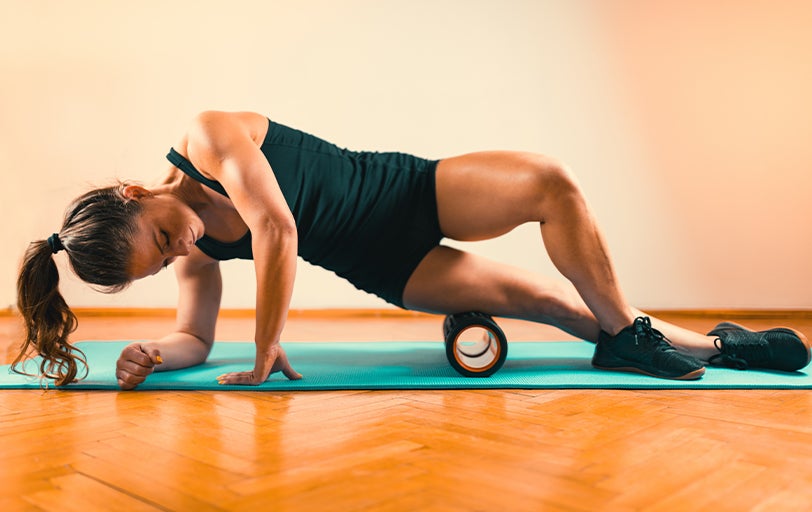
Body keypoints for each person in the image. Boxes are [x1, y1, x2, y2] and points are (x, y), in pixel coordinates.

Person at [14, 111, 810, 389]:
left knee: (551, 181)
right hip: (384, 263)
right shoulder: (195, 252)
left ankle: (654, 337)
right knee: (554, 305)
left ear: (136, 192)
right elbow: (195, 335)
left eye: (161, 238)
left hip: (404, 190)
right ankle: (711, 347)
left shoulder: (206, 136)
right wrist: (156, 351)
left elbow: (278, 228)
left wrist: (267, 345)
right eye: (163, 262)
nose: (179, 248)